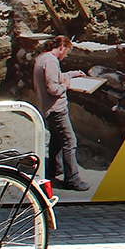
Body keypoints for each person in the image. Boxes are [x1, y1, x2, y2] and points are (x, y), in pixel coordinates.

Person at [33, 35, 91, 191]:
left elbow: (56, 77)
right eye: (67, 51)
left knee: (57, 139)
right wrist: (66, 85)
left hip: (47, 108)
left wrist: (72, 74)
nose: (66, 55)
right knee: (69, 141)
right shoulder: (52, 61)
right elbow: (53, 88)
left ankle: (54, 169)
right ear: (61, 47)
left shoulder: (43, 57)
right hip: (56, 109)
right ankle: (72, 179)